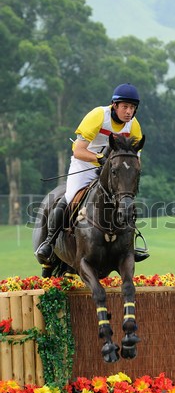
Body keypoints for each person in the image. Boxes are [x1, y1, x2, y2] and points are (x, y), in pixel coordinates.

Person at [35, 83, 149, 264]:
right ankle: (49, 241)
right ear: (115, 105)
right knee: (70, 196)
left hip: (112, 170)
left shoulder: (133, 126)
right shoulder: (98, 116)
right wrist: (100, 159)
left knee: (125, 200)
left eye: (132, 107)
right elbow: (78, 151)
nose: (129, 111)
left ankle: (129, 246)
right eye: (125, 106)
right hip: (85, 164)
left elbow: (136, 159)